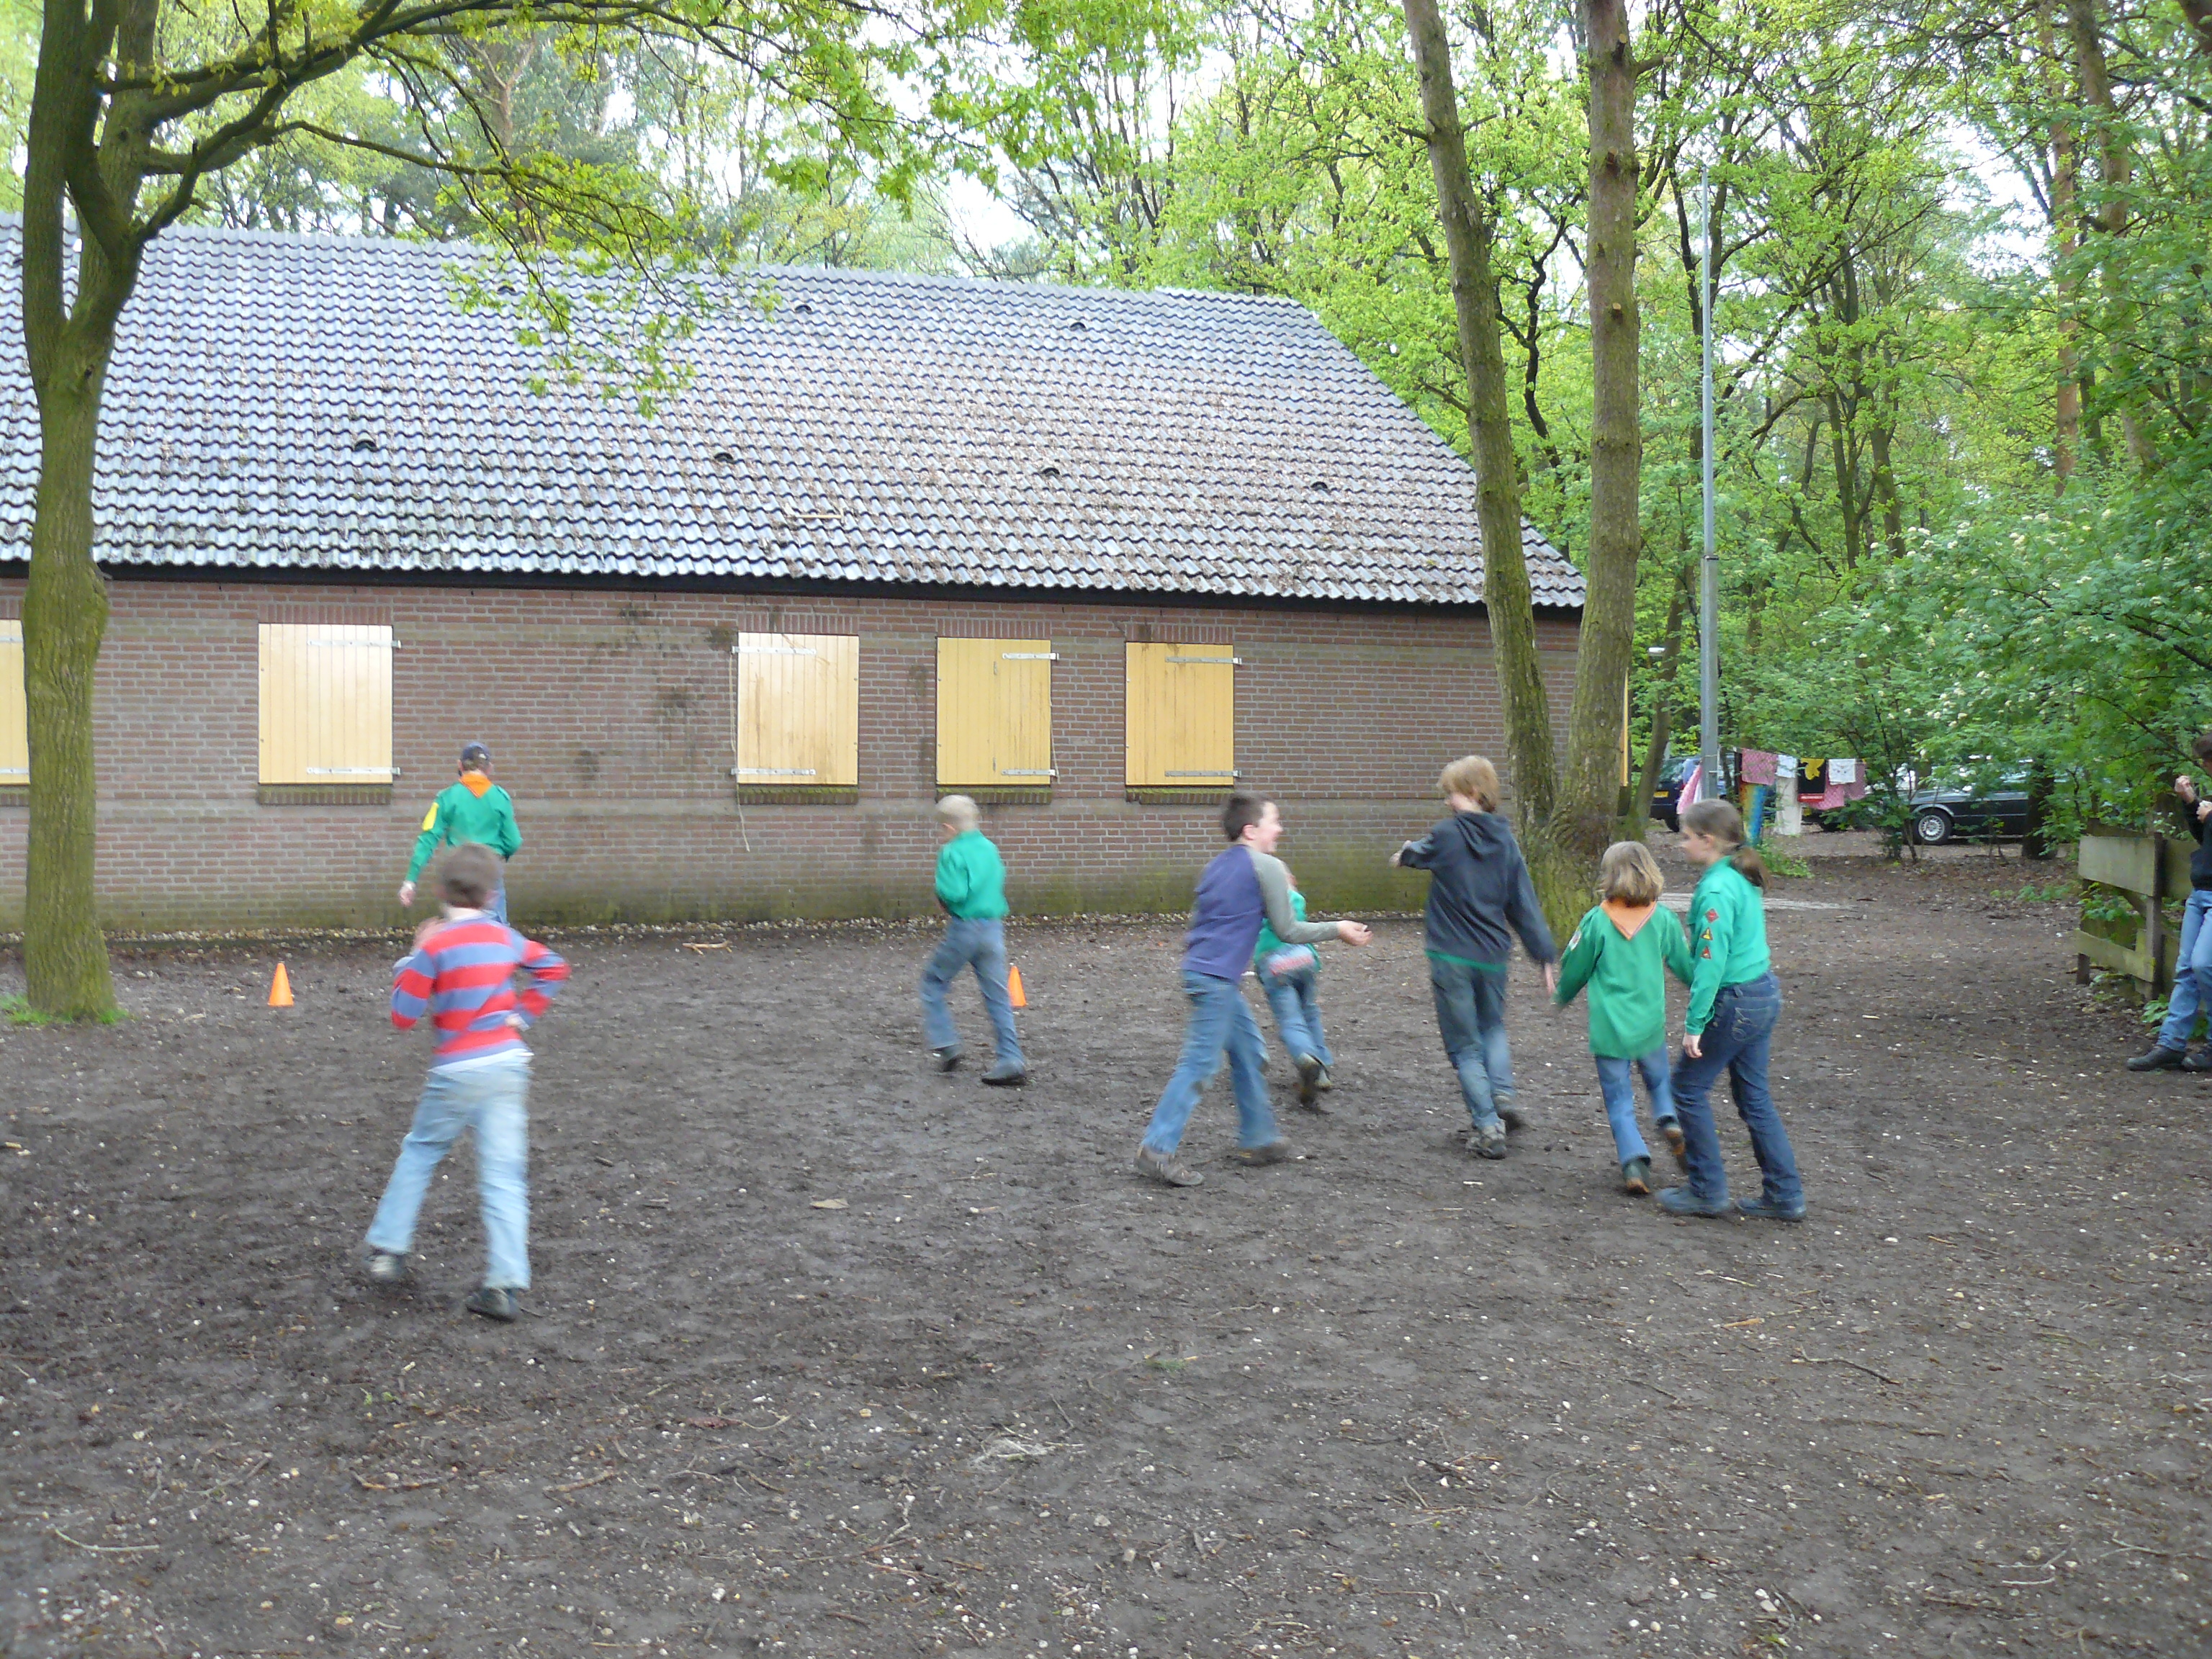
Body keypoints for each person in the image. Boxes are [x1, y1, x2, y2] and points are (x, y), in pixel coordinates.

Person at [364, 844, 570, 1320]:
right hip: (508, 1066)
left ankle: (389, 1250)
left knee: (421, 1151)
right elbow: (553, 967)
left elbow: (403, 1015)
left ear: (440, 892)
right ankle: (504, 1285)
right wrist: (522, 1015)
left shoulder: (435, 948)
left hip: (456, 1070)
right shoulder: (504, 937)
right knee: (503, 1176)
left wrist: (411, 958)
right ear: (492, 895)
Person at [1136, 793, 1374, 1187]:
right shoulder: (1266, 866)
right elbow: (1288, 930)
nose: (1279, 829)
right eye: (1273, 821)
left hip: (1202, 973)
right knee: (1199, 1064)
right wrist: (1338, 929)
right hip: (1216, 981)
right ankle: (1157, 1149)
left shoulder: (1215, 866)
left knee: (1249, 1052)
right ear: (1251, 830)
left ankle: (1258, 1138)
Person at [1391, 756, 1557, 1160]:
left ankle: (1487, 1126)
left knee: (1465, 1045)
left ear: (1472, 793)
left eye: (1451, 793)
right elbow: (1523, 902)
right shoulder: (1506, 841)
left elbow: (1416, 853)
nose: (1447, 801)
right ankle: (1502, 1095)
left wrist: (1403, 854)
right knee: (1493, 1028)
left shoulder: (1447, 835)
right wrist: (1543, 955)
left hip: (1451, 955)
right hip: (1493, 955)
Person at [1660, 798, 1804, 1221]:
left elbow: (1710, 964)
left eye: (1686, 837)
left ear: (1708, 840)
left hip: (1735, 1002)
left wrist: (1695, 1023)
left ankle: (1707, 1190)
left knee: (1687, 1089)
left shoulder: (1716, 889)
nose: (1681, 845)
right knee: (1753, 1097)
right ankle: (1785, 1194)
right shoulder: (1739, 875)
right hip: (1762, 993)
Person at [1553, 841, 1693, 1195]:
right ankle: (1669, 1119)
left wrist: (1561, 996)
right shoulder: (1663, 919)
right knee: (1659, 1083)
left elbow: (1576, 968)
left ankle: (1634, 1164)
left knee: (1619, 1100)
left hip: (1610, 1027)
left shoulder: (1596, 921)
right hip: (1649, 1024)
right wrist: (1705, 987)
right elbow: (1684, 964)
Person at [921, 794, 1026, 1086]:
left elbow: (954, 893)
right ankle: (1011, 1058)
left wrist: (941, 894)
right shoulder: (990, 848)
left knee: (933, 983)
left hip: (965, 929)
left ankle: (947, 1044)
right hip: (993, 929)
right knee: (998, 995)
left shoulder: (951, 852)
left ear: (949, 828)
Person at [2128, 734, 2212, 1072]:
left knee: (2205, 964)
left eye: (2207, 760)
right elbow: (2205, 840)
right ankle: (2171, 1043)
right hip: (2201, 891)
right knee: (2186, 970)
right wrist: (2192, 804)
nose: (2205, 766)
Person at [400, 742, 522, 925]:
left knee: (457, 930)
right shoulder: (500, 797)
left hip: (457, 874)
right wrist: (499, 854)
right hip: (488, 872)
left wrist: (410, 881)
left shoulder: (446, 798)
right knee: (496, 930)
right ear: (489, 769)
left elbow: (427, 839)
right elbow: (514, 841)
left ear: (460, 765)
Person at [1254, 866, 1334, 1109]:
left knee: (1290, 1020)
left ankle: (1304, 1056)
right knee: (1310, 1013)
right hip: (1304, 959)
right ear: (1291, 880)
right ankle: (1322, 1069)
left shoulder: (1261, 903)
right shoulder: (1297, 900)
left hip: (1276, 964)